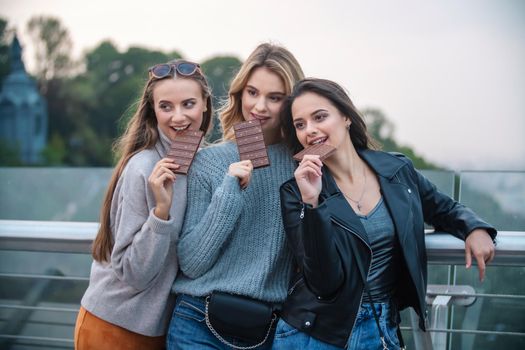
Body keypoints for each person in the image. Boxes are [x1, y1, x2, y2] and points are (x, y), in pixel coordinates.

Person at [273, 78, 497, 350]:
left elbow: (444, 207)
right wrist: (313, 202)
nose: (310, 130)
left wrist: (474, 228)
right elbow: (323, 282)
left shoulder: (397, 169)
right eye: (300, 124)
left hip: (382, 329)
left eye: (320, 117)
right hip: (314, 336)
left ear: (345, 117)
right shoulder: (296, 192)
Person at [166, 43, 304, 350]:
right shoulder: (208, 161)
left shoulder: (303, 168)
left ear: (292, 102)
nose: (260, 107)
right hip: (197, 324)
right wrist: (230, 191)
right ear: (239, 93)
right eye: (252, 92)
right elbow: (192, 262)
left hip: (268, 330)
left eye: (275, 97)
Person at [74, 59, 213, 350]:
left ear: (205, 105)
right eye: (166, 107)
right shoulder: (143, 167)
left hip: (160, 329)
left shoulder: (199, 161)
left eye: (188, 104)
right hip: (114, 327)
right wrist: (160, 214)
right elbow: (134, 273)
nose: (178, 117)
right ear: (153, 110)